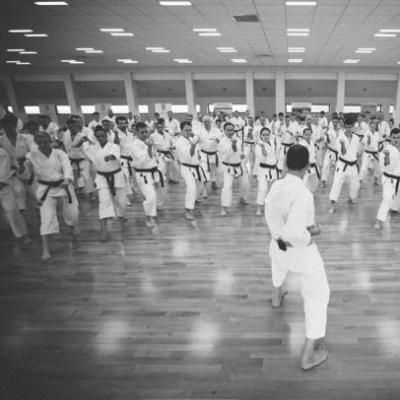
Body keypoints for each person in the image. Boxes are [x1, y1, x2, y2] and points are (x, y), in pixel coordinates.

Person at [265, 144, 330, 371]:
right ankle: (309, 355)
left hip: (277, 246)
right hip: (300, 253)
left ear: (284, 164)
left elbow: (274, 219)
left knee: (278, 264)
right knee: (318, 295)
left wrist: (283, 232)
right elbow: (296, 233)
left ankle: (276, 294)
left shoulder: (275, 185)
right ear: (306, 167)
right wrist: (313, 232)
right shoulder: (303, 193)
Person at [19, 131, 80, 260]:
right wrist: (21, 166)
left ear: (50, 140)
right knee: (46, 217)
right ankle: (45, 249)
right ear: (36, 143)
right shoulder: (31, 156)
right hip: (45, 188)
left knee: (72, 214)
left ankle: (72, 226)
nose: (43, 145)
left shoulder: (59, 153)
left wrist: (67, 179)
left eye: (45, 142)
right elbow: (26, 174)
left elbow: (67, 167)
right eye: (40, 143)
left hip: (63, 186)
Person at [83, 126, 126, 242]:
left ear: (107, 135)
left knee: (121, 203)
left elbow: (115, 155)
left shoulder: (114, 146)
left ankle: (122, 217)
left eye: (103, 136)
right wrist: (83, 141)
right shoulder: (93, 148)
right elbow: (84, 151)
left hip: (116, 176)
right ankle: (104, 230)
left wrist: (111, 156)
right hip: (102, 177)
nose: (101, 138)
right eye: (98, 136)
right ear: (95, 137)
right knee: (104, 202)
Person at [131, 122, 162, 227]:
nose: (145, 134)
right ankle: (148, 217)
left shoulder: (147, 141)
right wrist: (149, 148)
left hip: (152, 172)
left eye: (146, 132)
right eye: (142, 132)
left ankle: (151, 214)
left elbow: (153, 156)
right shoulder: (134, 145)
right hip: (143, 174)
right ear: (136, 132)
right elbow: (143, 160)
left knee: (154, 195)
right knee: (151, 196)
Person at [329, 117, 362, 214]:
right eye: (346, 127)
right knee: (337, 183)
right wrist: (343, 144)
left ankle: (351, 198)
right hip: (342, 164)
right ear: (344, 127)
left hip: (353, 165)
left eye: (350, 127)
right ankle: (332, 206)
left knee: (356, 184)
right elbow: (343, 152)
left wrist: (358, 158)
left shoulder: (356, 138)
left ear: (352, 127)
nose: (348, 129)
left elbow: (357, 152)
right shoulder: (341, 137)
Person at [0, 144, 31, 244]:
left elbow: (4, 171)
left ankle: (23, 235)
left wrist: (2, 181)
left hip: (3, 186)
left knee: (12, 211)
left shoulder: (2, 153)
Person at [175, 121, 206, 221]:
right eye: (186, 130)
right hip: (186, 168)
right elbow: (189, 156)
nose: (188, 132)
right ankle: (187, 211)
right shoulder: (179, 142)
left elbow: (197, 152)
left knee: (201, 185)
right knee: (191, 188)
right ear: (181, 130)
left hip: (196, 166)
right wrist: (193, 145)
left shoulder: (190, 139)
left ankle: (194, 199)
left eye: (189, 130)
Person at [219, 122, 249, 216]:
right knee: (227, 187)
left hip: (239, 165)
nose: (230, 132)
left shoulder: (238, 139)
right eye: (228, 130)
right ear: (224, 131)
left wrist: (243, 155)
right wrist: (233, 145)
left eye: (232, 130)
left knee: (245, 183)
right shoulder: (221, 141)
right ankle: (224, 207)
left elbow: (240, 152)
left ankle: (242, 198)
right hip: (228, 167)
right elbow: (227, 154)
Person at [375, 128, 400, 229]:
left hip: (398, 178)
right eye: (394, 138)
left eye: (398, 137)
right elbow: (385, 166)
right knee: (387, 198)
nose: (396, 139)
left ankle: (395, 209)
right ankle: (379, 220)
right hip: (389, 179)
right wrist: (387, 157)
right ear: (390, 138)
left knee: (397, 199)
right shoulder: (387, 149)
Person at [63, 117, 95, 195]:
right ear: (67, 127)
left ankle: (91, 193)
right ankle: (75, 192)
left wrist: (82, 142)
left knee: (86, 177)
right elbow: (66, 146)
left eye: (73, 126)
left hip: (82, 159)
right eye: (70, 127)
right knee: (73, 178)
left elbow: (89, 145)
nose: (72, 128)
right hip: (71, 159)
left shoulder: (82, 135)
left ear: (76, 126)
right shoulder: (65, 134)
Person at [150, 118, 175, 208]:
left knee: (167, 175)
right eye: (158, 127)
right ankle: (158, 198)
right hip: (159, 156)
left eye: (162, 126)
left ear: (164, 127)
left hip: (168, 156)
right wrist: (154, 157)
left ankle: (163, 192)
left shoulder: (167, 135)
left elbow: (172, 144)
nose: (160, 128)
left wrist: (172, 148)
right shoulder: (153, 136)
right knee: (160, 176)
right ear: (156, 127)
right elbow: (151, 147)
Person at [255, 127, 278, 216]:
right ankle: (259, 207)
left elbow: (273, 156)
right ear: (261, 136)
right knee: (263, 189)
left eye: (267, 134)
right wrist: (263, 147)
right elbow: (263, 158)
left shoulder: (272, 143)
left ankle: (270, 206)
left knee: (273, 189)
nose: (266, 136)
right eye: (263, 135)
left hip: (273, 169)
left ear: (270, 135)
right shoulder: (258, 146)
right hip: (263, 170)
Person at [114, 116, 136, 204]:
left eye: (124, 123)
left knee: (135, 177)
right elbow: (115, 144)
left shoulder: (130, 133)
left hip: (132, 158)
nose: (123, 125)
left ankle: (134, 192)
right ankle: (126, 198)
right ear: (117, 124)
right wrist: (115, 135)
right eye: (120, 123)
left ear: (127, 123)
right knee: (125, 177)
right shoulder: (115, 133)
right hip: (122, 159)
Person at [198, 115, 222, 194]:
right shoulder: (200, 131)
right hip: (204, 154)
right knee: (205, 171)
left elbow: (220, 138)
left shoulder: (216, 130)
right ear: (203, 122)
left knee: (214, 170)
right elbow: (197, 142)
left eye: (208, 121)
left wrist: (216, 140)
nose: (206, 123)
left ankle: (214, 182)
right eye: (205, 122)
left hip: (214, 153)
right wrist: (197, 152)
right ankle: (204, 189)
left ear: (211, 122)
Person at [359, 120, 382, 187]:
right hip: (367, 153)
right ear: (369, 127)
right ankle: (359, 181)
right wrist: (369, 138)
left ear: (375, 127)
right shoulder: (366, 134)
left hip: (375, 152)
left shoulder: (377, 134)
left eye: (374, 127)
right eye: (371, 127)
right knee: (364, 167)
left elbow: (379, 143)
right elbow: (367, 143)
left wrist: (379, 150)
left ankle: (376, 180)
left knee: (378, 167)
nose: (373, 128)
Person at [321, 115, 341, 187]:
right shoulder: (329, 131)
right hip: (330, 151)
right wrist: (328, 136)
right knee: (326, 166)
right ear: (332, 122)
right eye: (334, 122)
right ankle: (323, 181)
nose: (335, 123)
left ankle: (337, 182)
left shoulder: (341, 131)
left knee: (338, 168)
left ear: (338, 122)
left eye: (336, 122)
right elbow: (328, 142)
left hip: (338, 153)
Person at [299, 127, 320, 193]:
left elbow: (313, 155)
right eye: (306, 135)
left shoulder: (311, 143)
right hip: (305, 166)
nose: (308, 136)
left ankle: (309, 194)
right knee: (304, 183)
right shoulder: (301, 144)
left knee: (314, 183)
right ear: (303, 135)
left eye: (309, 134)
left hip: (313, 166)